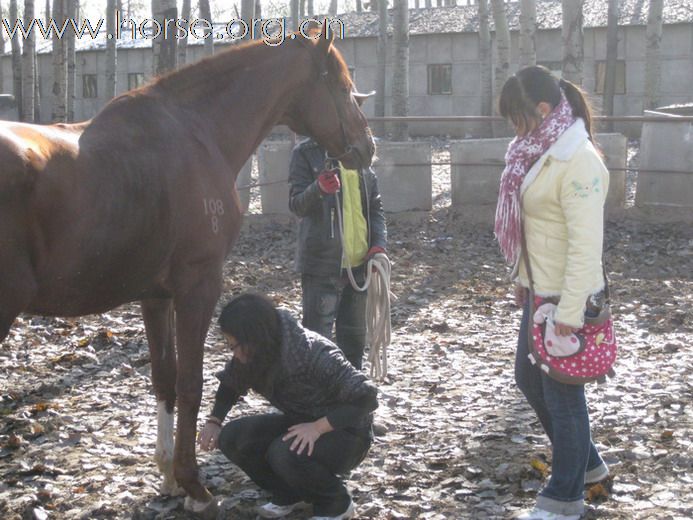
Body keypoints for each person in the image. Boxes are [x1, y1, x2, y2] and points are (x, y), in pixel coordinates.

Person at [494, 66, 610, 520]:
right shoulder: (537, 151)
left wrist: (572, 310)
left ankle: (564, 498)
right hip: (540, 293)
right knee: (529, 379)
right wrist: (523, 279)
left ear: (542, 110)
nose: (513, 128)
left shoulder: (577, 159)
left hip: (565, 299)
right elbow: (536, 227)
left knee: (563, 397)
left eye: (517, 117)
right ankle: (590, 466)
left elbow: (586, 244)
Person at [198, 293, 378, 520]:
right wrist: (214, 421)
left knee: (284, 453)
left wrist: (318, 428)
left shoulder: (312, 352)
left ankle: (336, 502)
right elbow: (230, 384)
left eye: (234, 345)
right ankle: (290, 493)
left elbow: (367, 398)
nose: (232, 352)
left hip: (348, 434)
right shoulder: (253, 353)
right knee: (232, 438)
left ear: (253, 338)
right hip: (301, 420)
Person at [288, 138, 387, 370]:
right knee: (316, 340)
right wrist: (318, 189)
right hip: (322, 266)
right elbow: (296, 205)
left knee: (354, 340)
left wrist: (378, 245)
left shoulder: (360, 152)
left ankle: (352, 393)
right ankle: (315, 396)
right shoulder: (306, 153)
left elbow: (374, 207)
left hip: (360, 266)